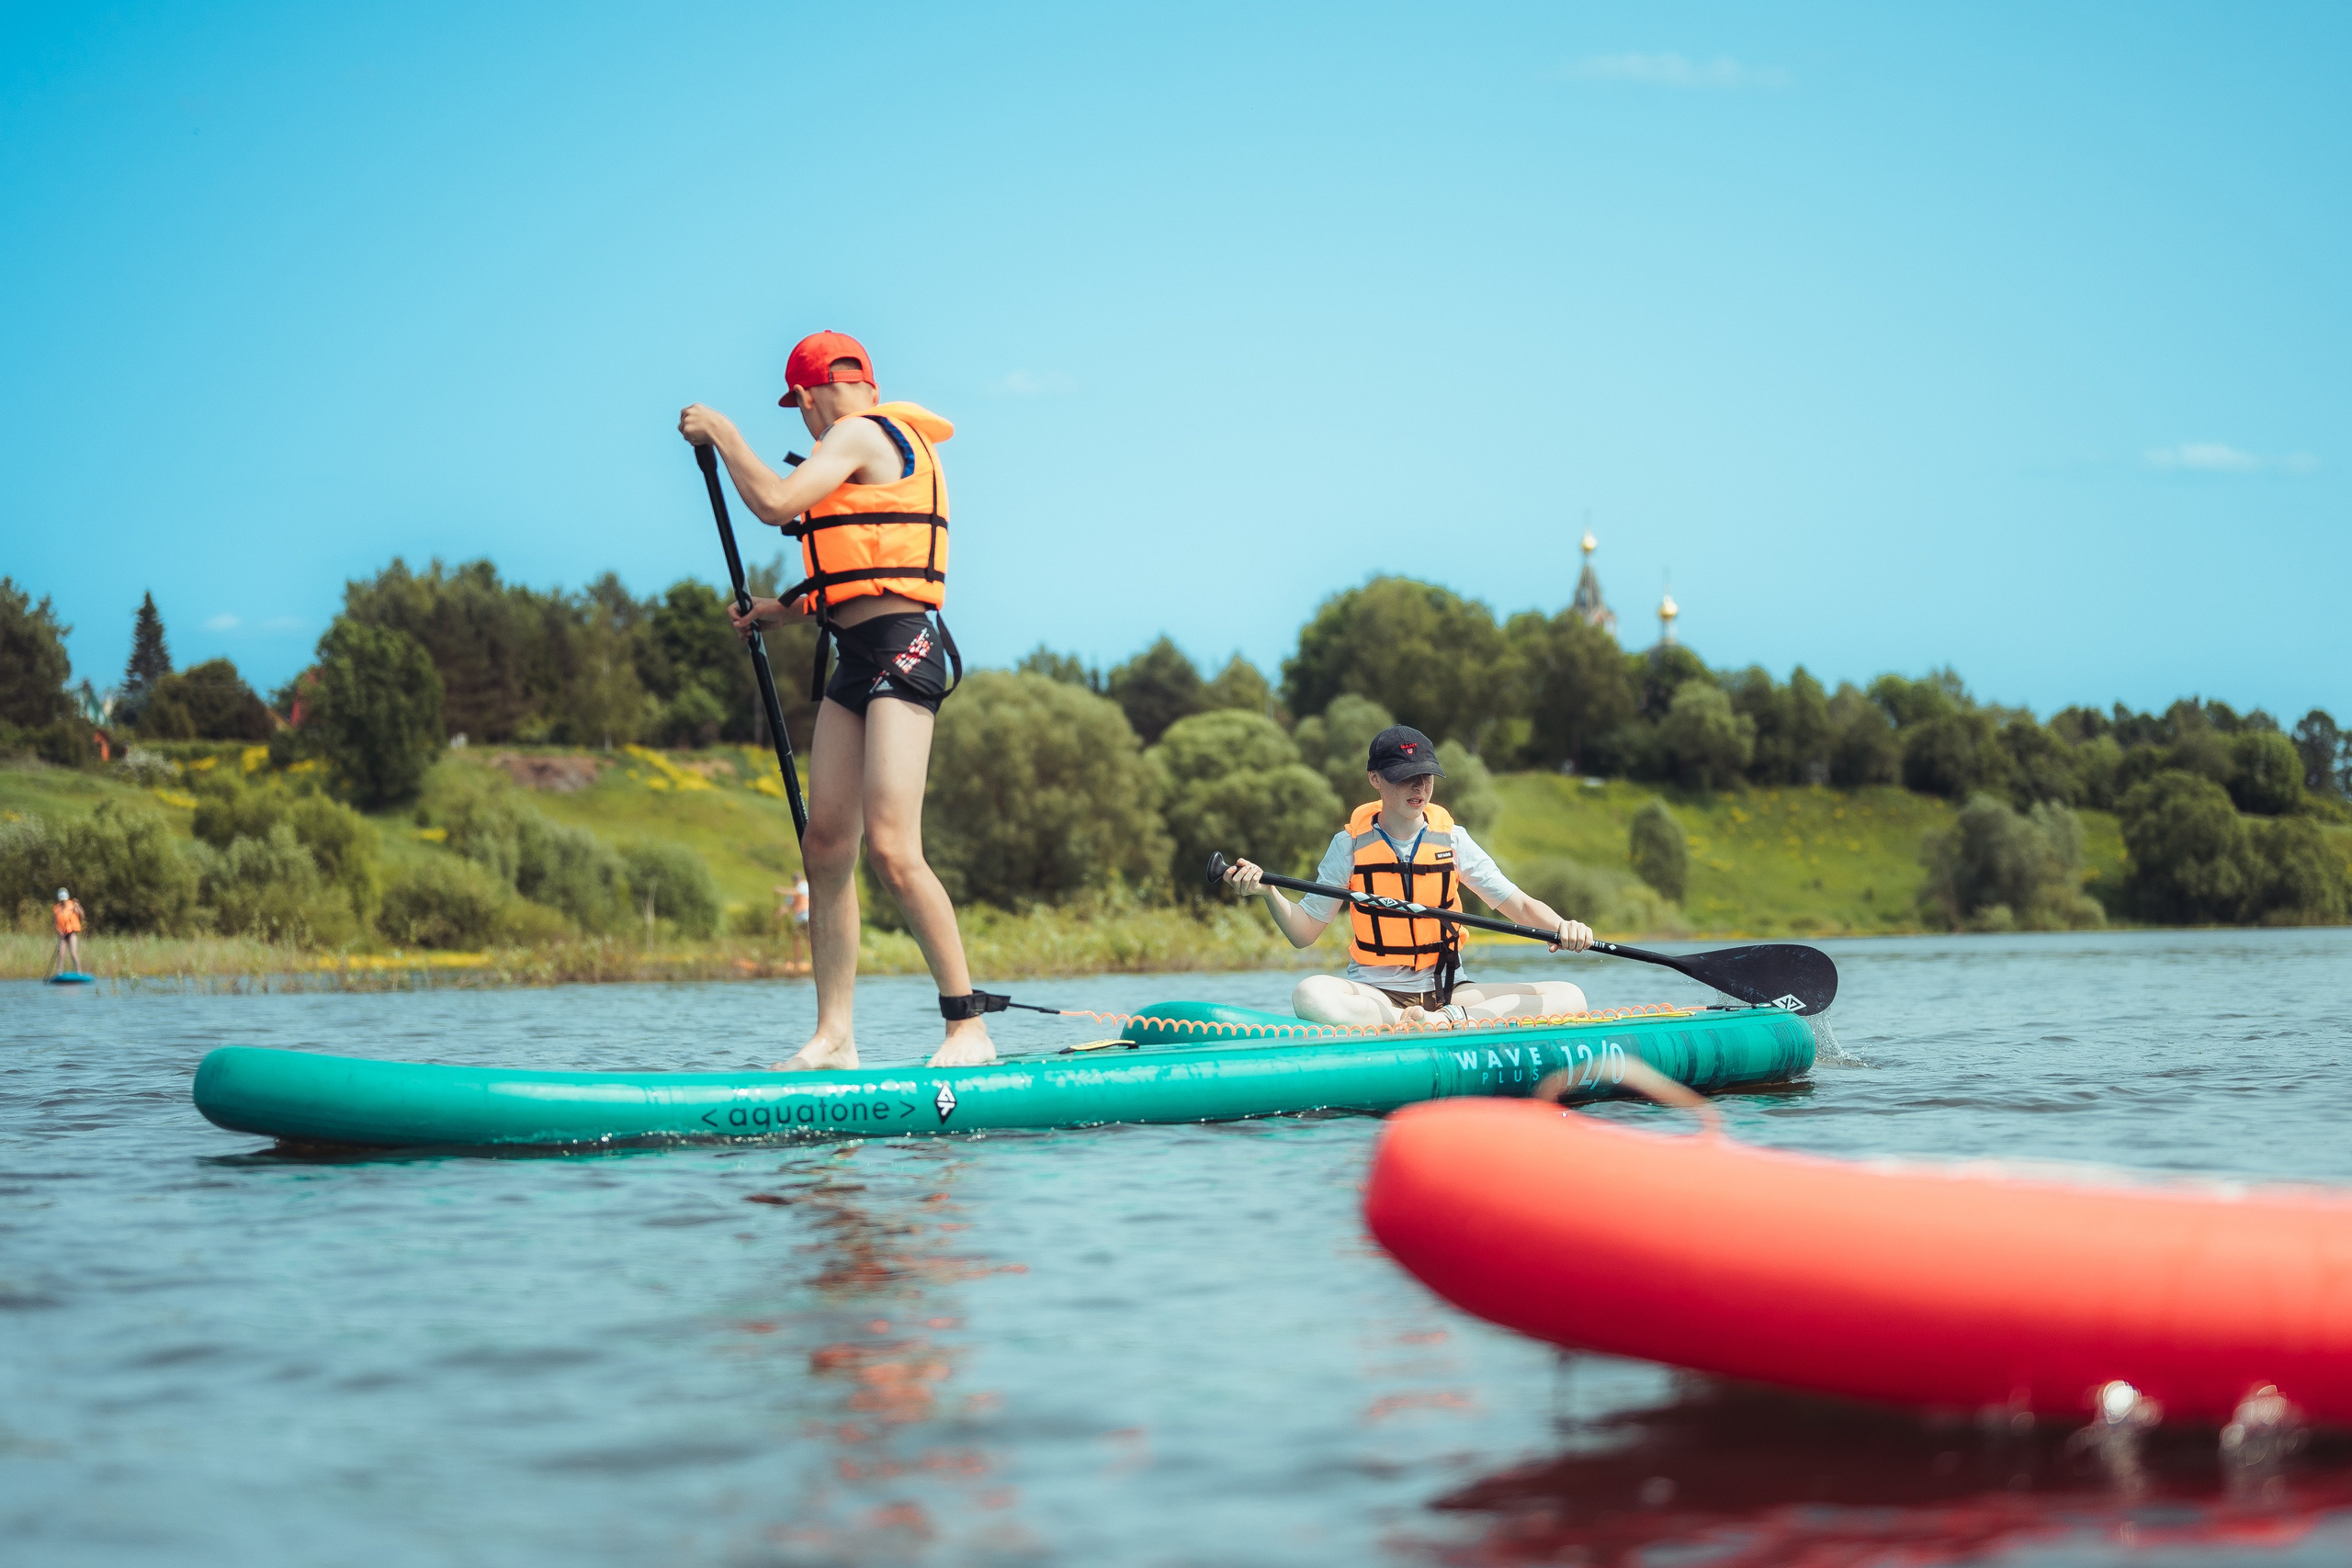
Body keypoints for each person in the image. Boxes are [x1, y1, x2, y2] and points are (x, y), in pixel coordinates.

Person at [680, 331, 994, 1070]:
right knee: (824, 847)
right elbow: (854, 566)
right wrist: (778, 609)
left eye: (800, 409)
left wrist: (723, 431)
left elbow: (774, 502)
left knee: (891, 846)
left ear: (815, 392)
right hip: (854, 656)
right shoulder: (862, 440)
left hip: (905, 646)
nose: (806, 423)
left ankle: (967, 1026)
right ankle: (835, 1034)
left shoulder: (859, 430)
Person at [1223, 726, 1595, 1026]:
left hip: (1449, 992)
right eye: (1404, 778)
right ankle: (1409, 1021)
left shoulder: (1453, 839)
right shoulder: (1349, 846)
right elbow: (1303, 933)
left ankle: (1446, 1020)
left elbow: (1521, 905)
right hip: (1377, 995)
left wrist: (1564, 926)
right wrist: (1268, 892)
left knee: (1569, 996)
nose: (1419, 787)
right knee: (1309, 994)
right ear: (1375, 779)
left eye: (1426, 776)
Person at [51, 888, 85, 976]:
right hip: (62, 934)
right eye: (61, 900)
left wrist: (78, 906)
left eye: (64, 900)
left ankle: (79, 972)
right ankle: (59, 972)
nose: (63, 902)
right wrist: (59, 932)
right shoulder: (56, 908)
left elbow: (82, 915)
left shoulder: (73, 905)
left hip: (72, 933)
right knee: (61, 953)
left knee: (73, 953)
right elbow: (55, 924)